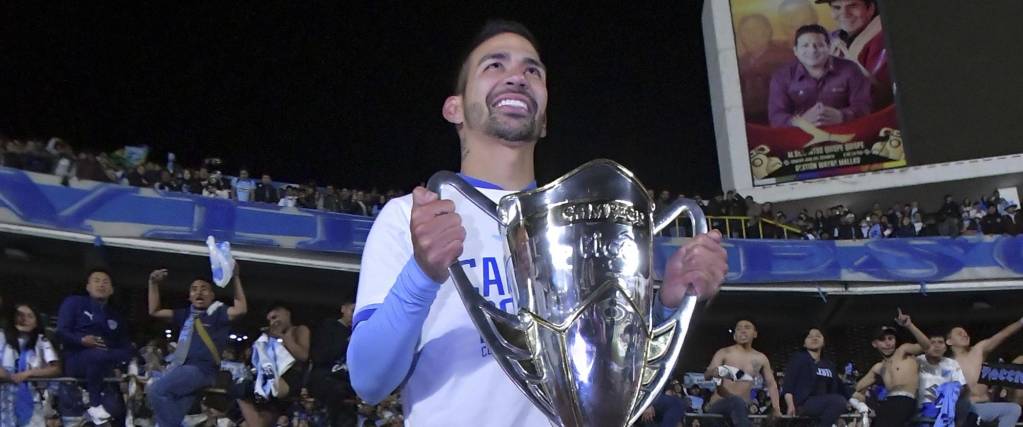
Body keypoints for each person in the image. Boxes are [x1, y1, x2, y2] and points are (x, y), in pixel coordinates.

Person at [346, 20, 729, 426]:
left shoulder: (585, 224)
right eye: (494, 66)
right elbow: (369, 381)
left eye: (533, 71)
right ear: (454, 108)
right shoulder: (412, 217)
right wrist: (422, 274)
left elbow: (609, 377)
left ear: (544, 118)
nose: (517, 77)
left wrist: (668, 306)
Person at [145, 265, 248, 427]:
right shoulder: (185, 314)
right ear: (189, 296)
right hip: (182, 371)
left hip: (201, 370)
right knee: (172, 415)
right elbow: (154, 311)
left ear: (212, 295)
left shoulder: (218, 312)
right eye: (194, 289)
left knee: (156, 390)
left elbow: (241, 309)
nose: (199, 292)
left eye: (204, 289)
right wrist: (153, 284)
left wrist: (235, 277)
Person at [56, 268, 134, 425]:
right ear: (88, 287)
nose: (101, 285)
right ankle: (95, 404)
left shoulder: (116, 316)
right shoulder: (74, 303)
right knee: (96, 355)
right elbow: (62, 332)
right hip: (77, 360)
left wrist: (113, 355)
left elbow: (126, 348)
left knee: (119, 413)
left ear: (111, 290)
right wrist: (82, 340)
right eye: (96, 281)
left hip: (105, 365)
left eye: (106, 282)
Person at [768, 24, 871, 128]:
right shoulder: (781, 76)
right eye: (805, 45)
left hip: (845, 133)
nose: (812, 50)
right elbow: (776, 117)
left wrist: (841, 116)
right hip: (800, 137)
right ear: (795, 51)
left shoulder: (850, 69)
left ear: (829, 47)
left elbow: (864, 106)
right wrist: (801, 121)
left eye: (819, 45)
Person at [851, 310, 931, 427]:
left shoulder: (903, 351)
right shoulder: (878, 367)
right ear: (874, 344)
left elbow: (927, 346)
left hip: (905, 400)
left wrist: (909, 325)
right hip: (888, 403)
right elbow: (857, 388)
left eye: (890, 338)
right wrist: (857, 401)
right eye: (882, 339)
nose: (888, 343)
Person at [238, 302, 311, 426]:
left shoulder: (299, 330)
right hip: (269, 380)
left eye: (275, 317)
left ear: (287, 314)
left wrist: (282, 336)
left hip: (291, 377)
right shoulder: (268, 337)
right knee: (240, 392)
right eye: (270, 320)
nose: (273, 322)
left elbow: (303, 355)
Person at [703, 320, 782, 427]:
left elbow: (771, 384)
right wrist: (713, 372)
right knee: (736, 401)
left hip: (742, 411)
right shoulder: (724, 352)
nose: (743, 331)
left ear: (755, 334)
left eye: (747, 328)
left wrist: (776, 408)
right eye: (739, 329)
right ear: (735, 335)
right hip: (719, 405)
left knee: (739, 404)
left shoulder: (761, 358)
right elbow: (706, 375)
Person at [815, 0, 892, 109]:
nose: (844, 14)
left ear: (870, 9)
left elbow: (879, 97)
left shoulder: (884, 40)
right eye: (837, 7)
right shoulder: (834, 38)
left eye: (853, 6)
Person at [948, 319, 1023, 427]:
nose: (964, 335)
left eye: (966, 334)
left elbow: (1001, 335)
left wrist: (1021, 322)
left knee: (1013, 409)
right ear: (949, 341)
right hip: (966, 411)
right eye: (960, 333)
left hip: (987, 405)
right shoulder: (947, 364)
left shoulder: (978, 350)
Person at [0, 303, 62, 427]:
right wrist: (8, 376)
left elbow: (55, 369)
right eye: (20, 315)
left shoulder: (42, 341)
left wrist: (29, 373)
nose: (24, 320)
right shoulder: (1, 337)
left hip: (32, 401)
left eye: (30, 316)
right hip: (4, 398)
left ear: (36, 322)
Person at [783, 328, 851, 427]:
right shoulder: (798, 359)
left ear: (823, 342)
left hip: (823, 402)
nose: (814, 338)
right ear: (804, 344)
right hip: (804, 402)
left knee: (839, 401)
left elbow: (839, 388)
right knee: (838, 401)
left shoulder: (829, 364)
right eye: (810, 336)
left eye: (818, 336)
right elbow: (788, 384)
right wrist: (790, 405)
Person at [308, 301, 358, 427]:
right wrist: (347, 342)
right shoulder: (328, 326)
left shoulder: (357, 332)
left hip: (347, 384)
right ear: (343, 308)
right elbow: (319, 356)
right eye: (352, 310)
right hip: (328, 381)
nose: (354, 315)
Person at [917, 334, 973, 426]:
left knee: (953, 387)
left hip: (944, 409)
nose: (936, 346)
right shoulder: (917, 361)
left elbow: (962, 386)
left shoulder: (952, 363)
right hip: (919, 408)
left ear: (945, 348)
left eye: (940, 342)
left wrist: (946, 398)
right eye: (932, 342)